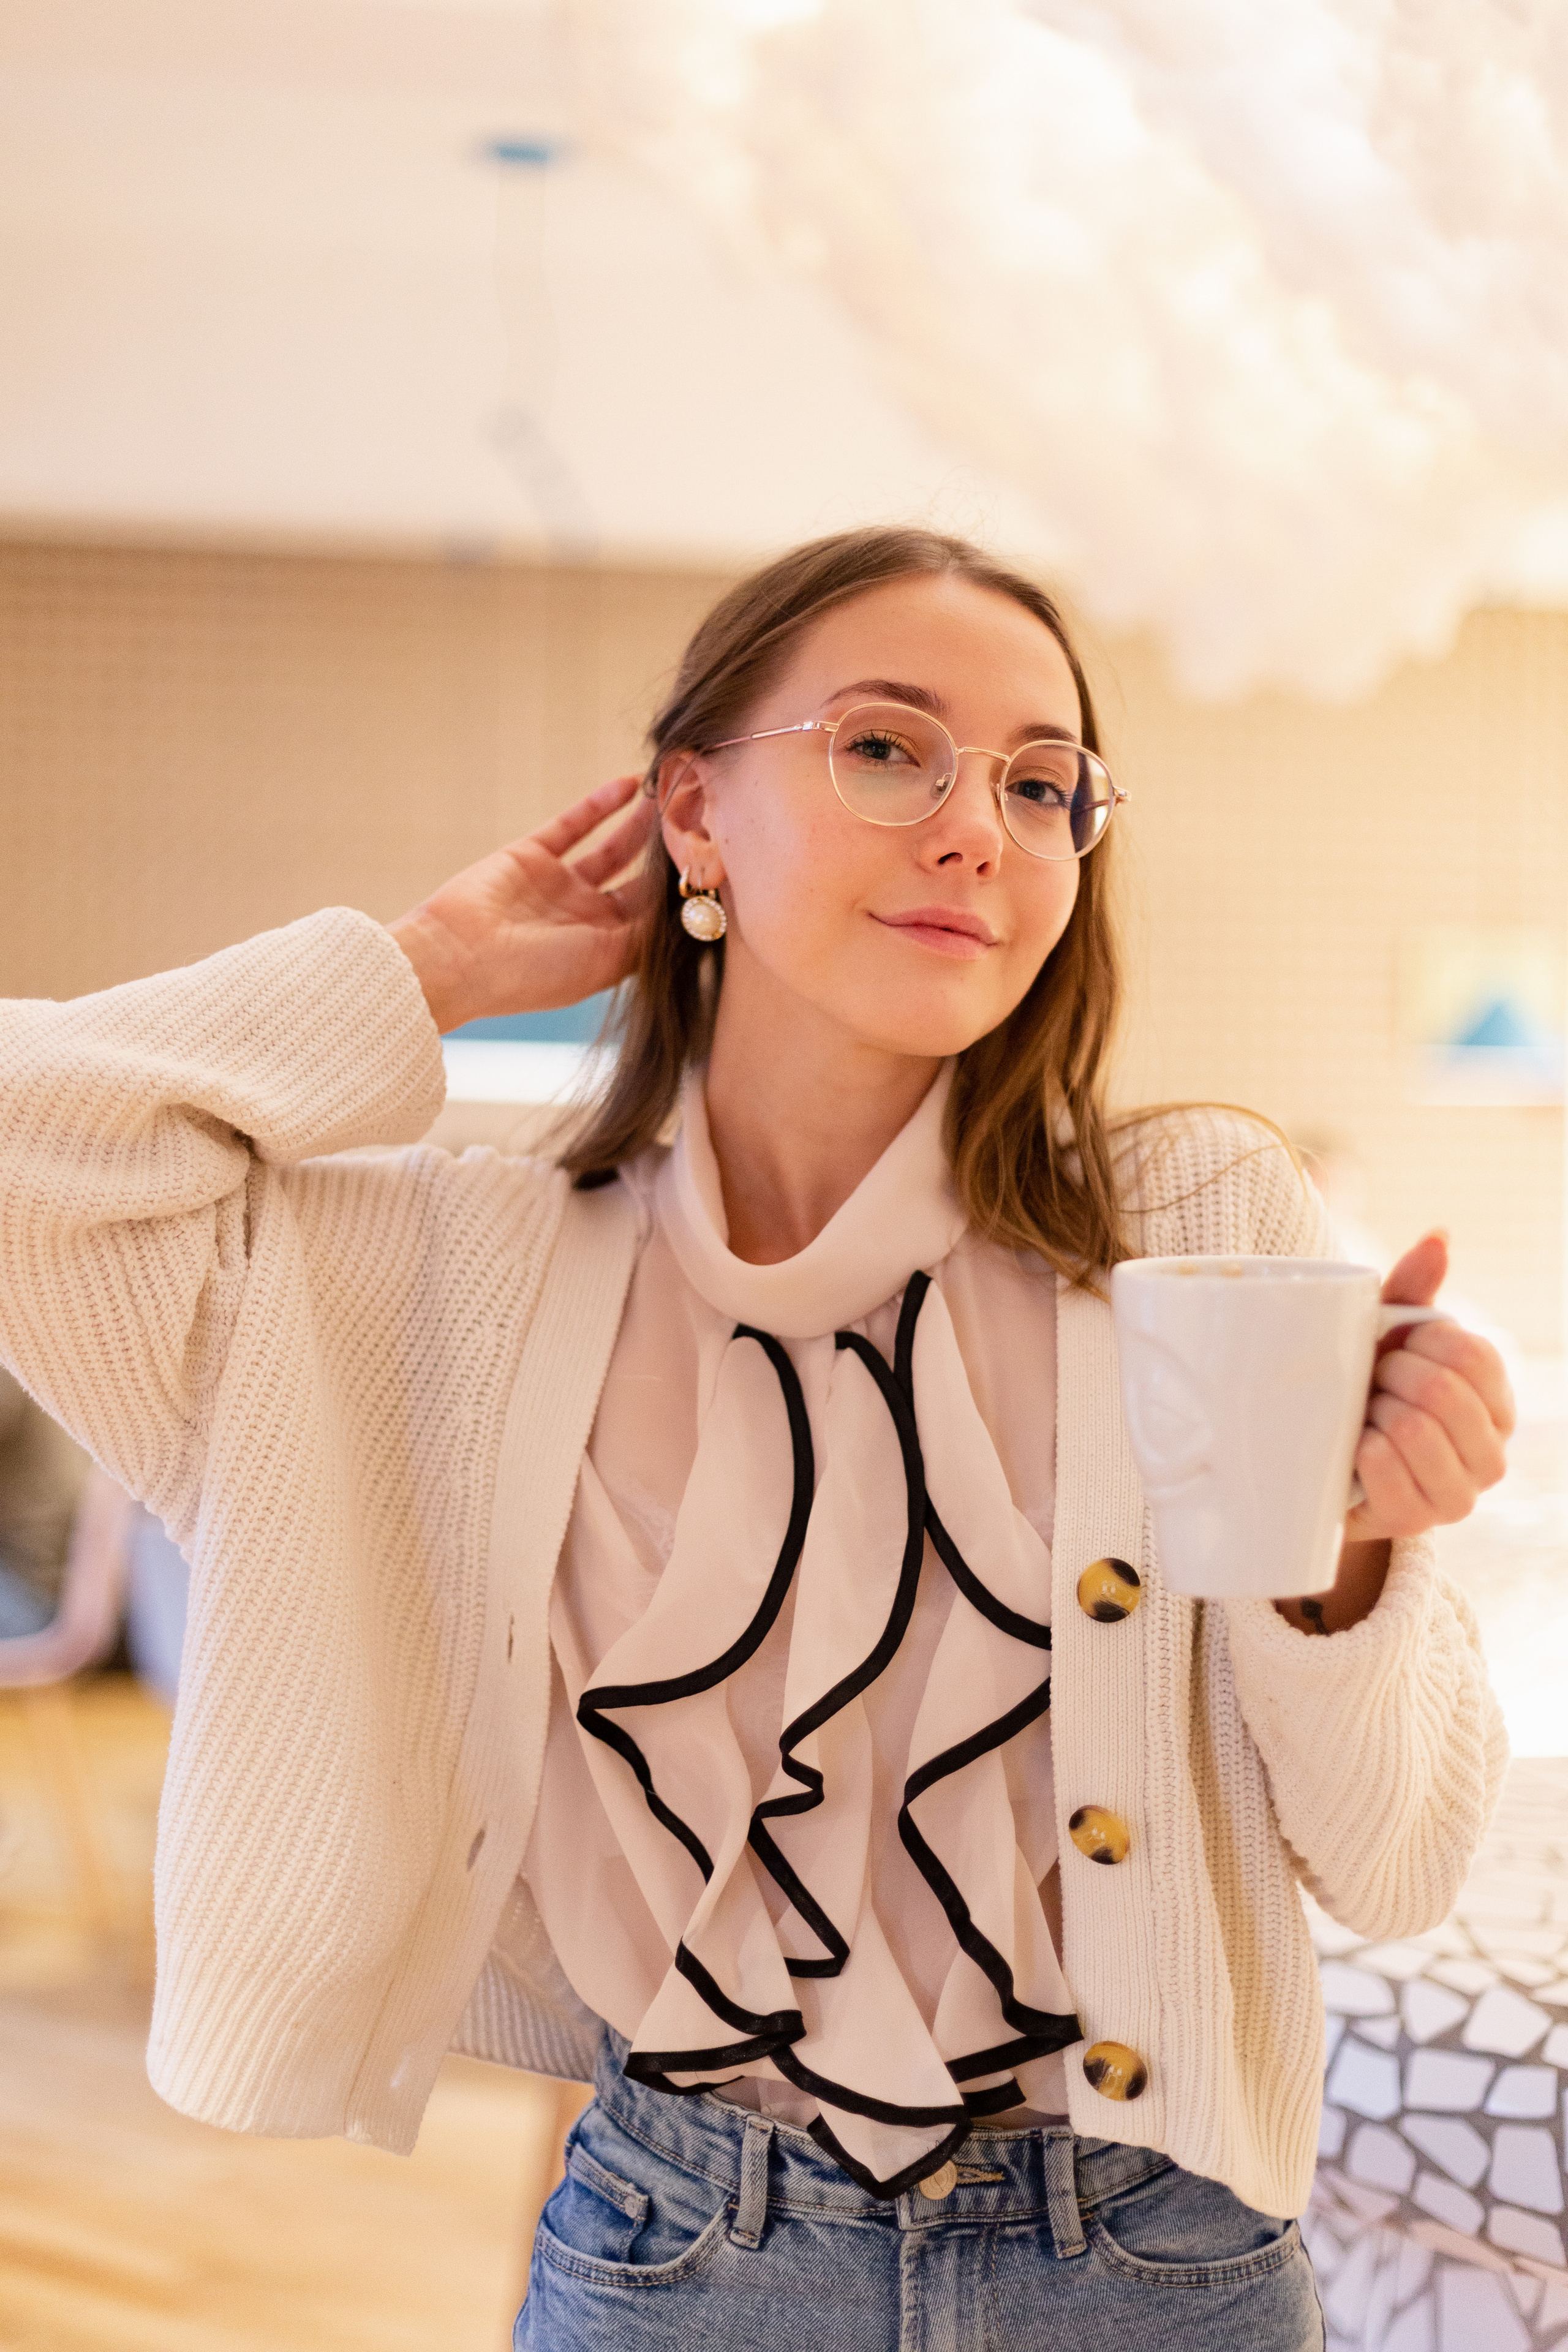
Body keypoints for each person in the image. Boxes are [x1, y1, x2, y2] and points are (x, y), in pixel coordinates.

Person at [0, 529, 1511, 2350]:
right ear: (689, 816)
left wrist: (1350, 1561)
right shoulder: (444, 1272)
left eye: (1045, 787)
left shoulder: (1194, 1220)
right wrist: (433, 965)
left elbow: (1400, 1858)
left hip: (1156, 2259)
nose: (979, 828)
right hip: (684, 2251)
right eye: (889, 748)